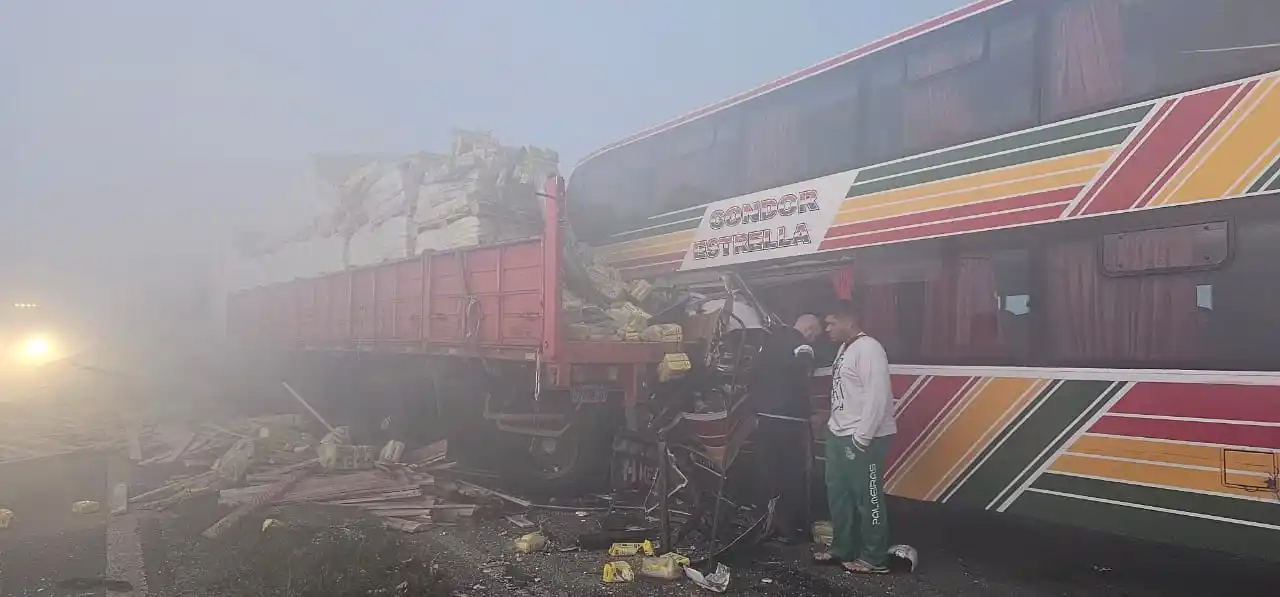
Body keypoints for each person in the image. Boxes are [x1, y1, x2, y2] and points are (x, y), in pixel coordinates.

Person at [814, 300, 897, 574]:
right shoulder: (844, 348)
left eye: (831, 322)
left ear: (849, 321)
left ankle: (874, 559)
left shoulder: (869, 348)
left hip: (863, 437)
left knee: (868, 498)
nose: (827, 328)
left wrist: (862, 437)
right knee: (838, 494)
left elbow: (878, 395)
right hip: (839, 433)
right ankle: (842, 548)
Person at [751, 313, 822, 543]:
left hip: (765, 417)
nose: (813, 339)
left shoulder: (767, 342)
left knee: (769, 472)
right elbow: (802, 372)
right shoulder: (803, 346)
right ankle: (789, 529)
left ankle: (764, 524)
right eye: (815, 335)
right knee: (792, 474)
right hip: (791, 420)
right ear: (809, 329)